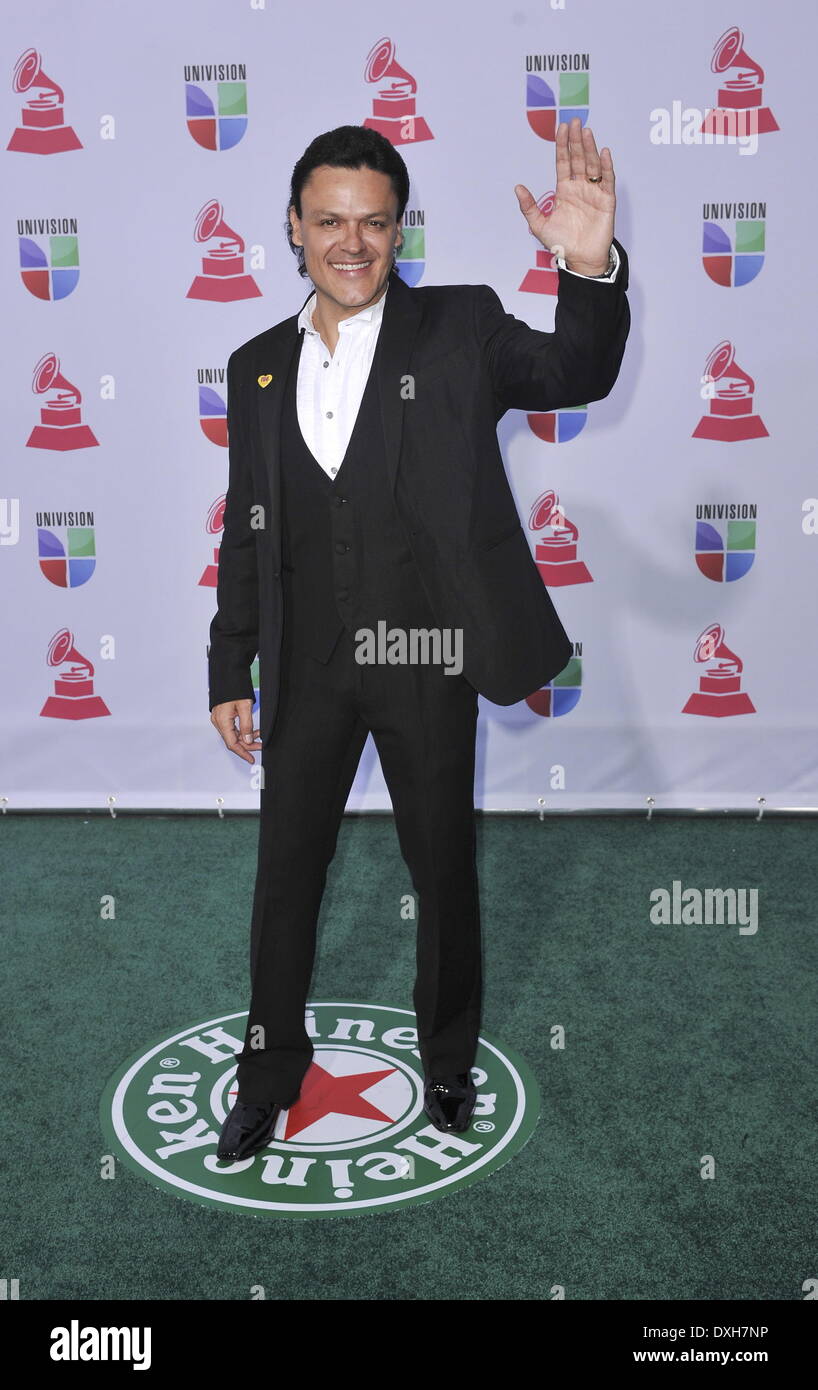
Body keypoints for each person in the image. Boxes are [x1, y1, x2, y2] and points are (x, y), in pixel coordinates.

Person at [208, 119, 630, 1160]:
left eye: (374, 223)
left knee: (441, 868)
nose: (351, 242)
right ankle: (269, 1069)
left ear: (401, 231)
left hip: (423, 654)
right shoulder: (255, 365)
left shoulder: (460, 328)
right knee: (283, 876)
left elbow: (576, 368)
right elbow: (246, 528)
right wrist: (231, 662)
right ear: (293, 232)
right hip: (304, 664)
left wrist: (586, 264)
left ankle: (445, 1060)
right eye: (329, 222)